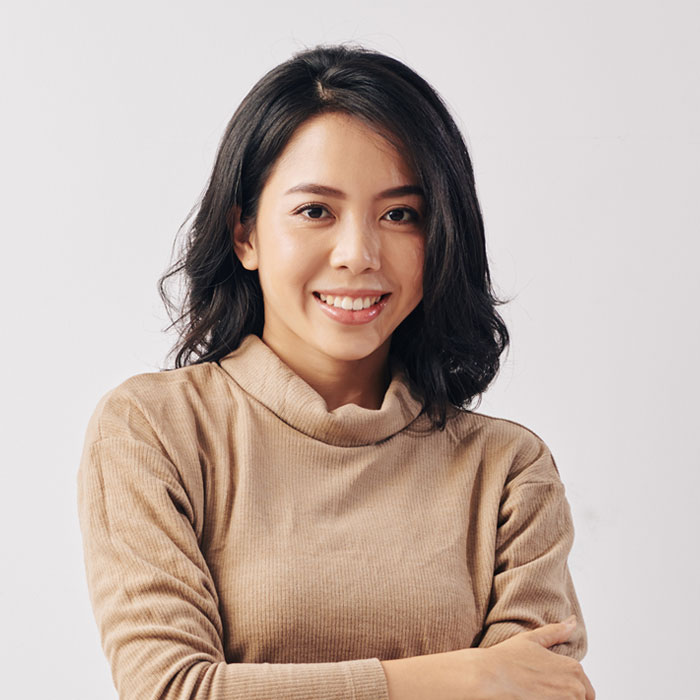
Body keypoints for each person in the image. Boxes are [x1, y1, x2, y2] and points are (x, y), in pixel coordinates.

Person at [77, 43, 595, 700]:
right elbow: (172, 691)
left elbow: (539, 691)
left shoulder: (509, 469)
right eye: (316, 211)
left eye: (400, 214)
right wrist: (464, 675)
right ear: (244, 234)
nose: (358, 254)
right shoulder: (155, 429)